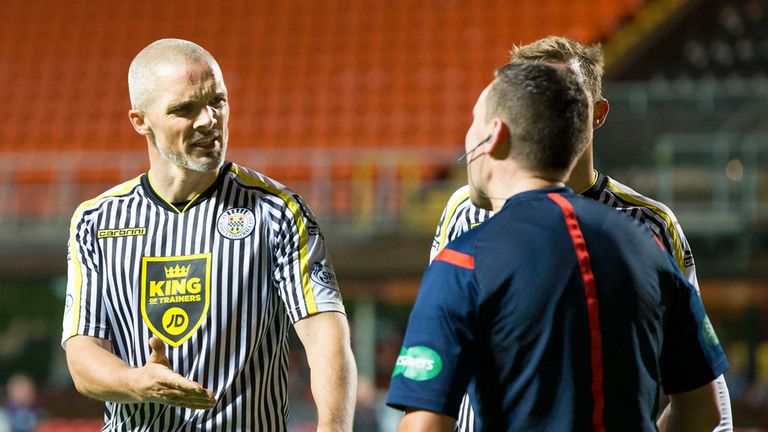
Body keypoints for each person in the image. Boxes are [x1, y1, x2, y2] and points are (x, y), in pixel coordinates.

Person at [386, 62, 728, 431]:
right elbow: (703, 409)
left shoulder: (464, 262)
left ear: (495, 136)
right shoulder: (648, 248)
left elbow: (423, 426)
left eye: (474, 122)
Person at [61, 38, 356, 431]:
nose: (208, 120)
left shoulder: (278, 211)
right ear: (140, 120)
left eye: (217, 101)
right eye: (185, 109)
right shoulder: (96, 221)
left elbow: (325, 338)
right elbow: (83, 357)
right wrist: (138, 382)